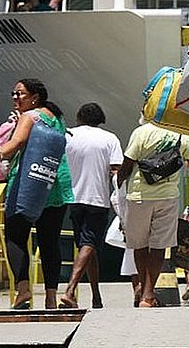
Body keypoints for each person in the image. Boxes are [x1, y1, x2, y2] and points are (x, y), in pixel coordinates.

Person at [0, 79, 73, 310]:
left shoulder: (29, 116)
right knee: (50, 241)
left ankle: (23, 291)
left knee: (15, 235)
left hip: (27, 185)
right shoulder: (57, 118)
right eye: (13, 93)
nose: (15, 97)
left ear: (35, 97)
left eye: (20, 94)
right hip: (55, 185)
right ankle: (51, 297)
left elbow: (18, 141)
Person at [116, 121, 189, 308]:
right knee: (159, 246)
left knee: (139, 245)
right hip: (168, 197)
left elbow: (127, 164)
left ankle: (144, 290)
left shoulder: (141, 132)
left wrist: (119, 186)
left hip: (139, 195)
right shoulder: (181, 133)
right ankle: (148, 293)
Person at [59, 103, 123, 309]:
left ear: (78, 117)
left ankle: (96, 296)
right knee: (89, 243)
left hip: (73, 197)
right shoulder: (109, 138)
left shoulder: (68, 135)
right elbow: (116, 170)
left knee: (87, 246)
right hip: (97, 198)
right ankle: (70, 290)